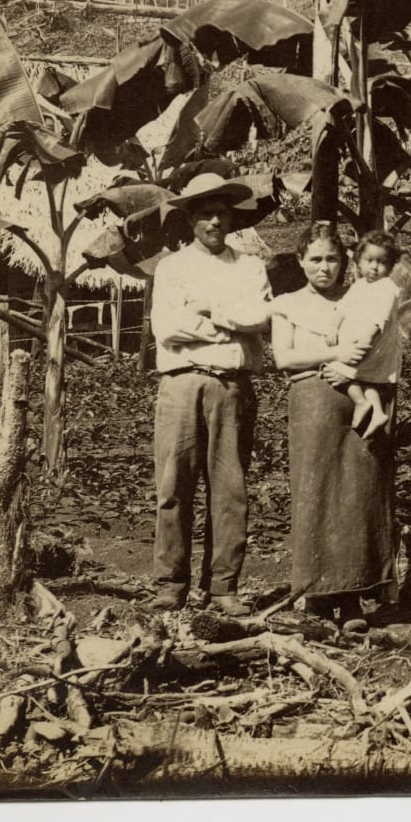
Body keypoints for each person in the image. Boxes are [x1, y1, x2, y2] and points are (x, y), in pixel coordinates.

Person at [147, 172, 272, 616]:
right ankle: (170, 584)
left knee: (230, 489)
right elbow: (168, 327)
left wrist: (209, 312)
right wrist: (225, 327)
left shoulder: (250, 266)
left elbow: (259, 316)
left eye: (221, 213)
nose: (214, 222)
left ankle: (223, 585)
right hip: (181, 384)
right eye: (204, 214)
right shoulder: (172, 267)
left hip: (231, 387)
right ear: (190, 219)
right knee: (174, 486)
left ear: (231, 216)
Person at [271, 223, 399, 625]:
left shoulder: (364, 293)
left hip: (361, 400)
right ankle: (316, 596)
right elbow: (284, 359)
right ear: (301, 262)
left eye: (332, 258)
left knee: (359, 496)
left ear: (345, 261)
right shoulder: (287, 303)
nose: (324, 267)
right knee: (316, 492)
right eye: (315, 259)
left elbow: (382, 341)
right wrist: (335, 352)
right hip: (312, 402)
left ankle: (354, 597)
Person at [325, 230, 404, 438]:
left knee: (335, 368)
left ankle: (361, 402)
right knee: (365, 380)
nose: (374, 267)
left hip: (371, 343)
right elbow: (341, 309)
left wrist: (367, 338)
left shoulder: (387, 288)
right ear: (359, 261)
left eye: (382, 262)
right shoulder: (359, 286)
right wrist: (333, 327)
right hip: (356, 340)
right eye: (369, 260)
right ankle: (377, 412)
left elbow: (380, 318)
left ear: (391, 265)